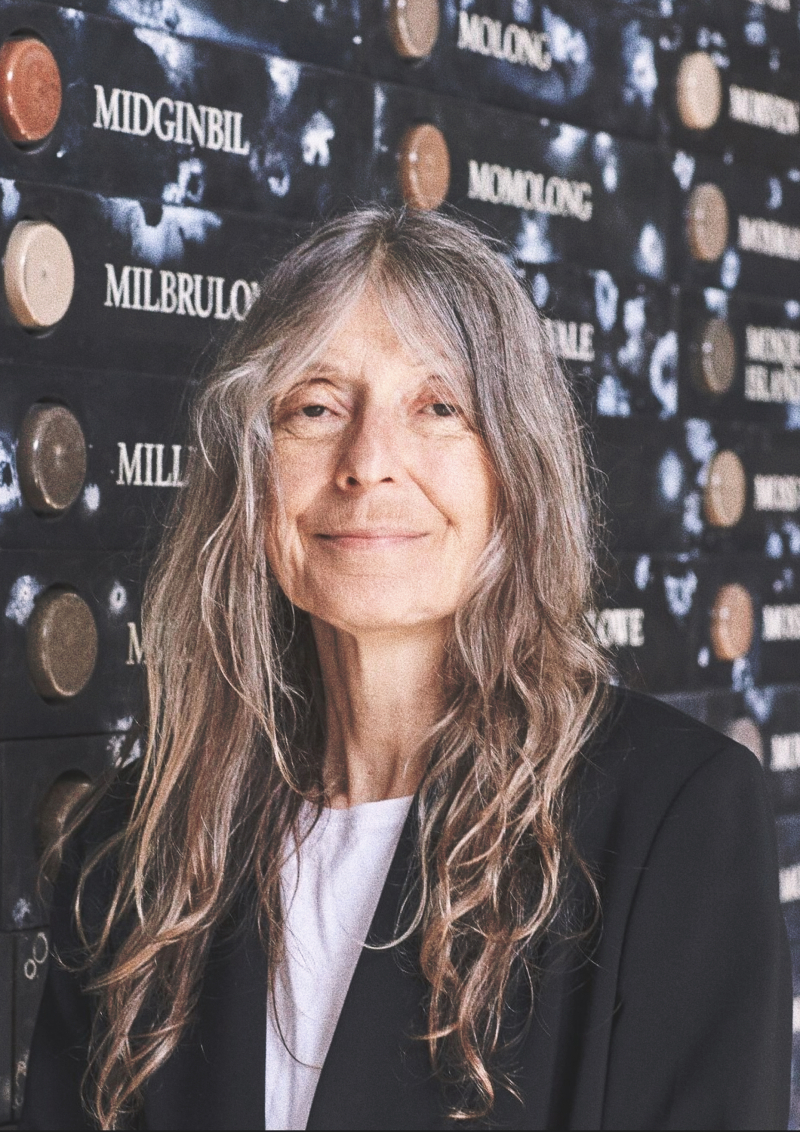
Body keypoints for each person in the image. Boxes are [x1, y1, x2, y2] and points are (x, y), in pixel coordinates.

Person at [22, 207, 790, 1131]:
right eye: (315, 408)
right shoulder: (133, 844)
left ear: (516, 472)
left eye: (438, 408)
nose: (368, 463)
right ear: (250, 475)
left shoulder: (671, 819)